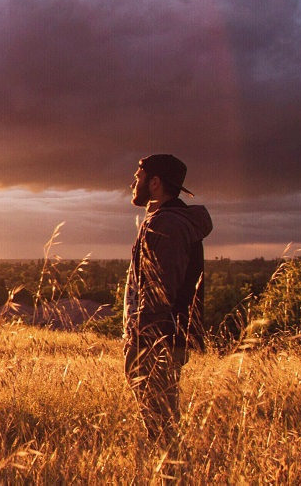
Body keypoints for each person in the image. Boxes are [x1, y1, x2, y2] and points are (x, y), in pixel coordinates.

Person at [123, 154, 214, 447]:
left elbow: (163, 291)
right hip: (154, 339)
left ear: (155, 182)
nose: (133, 183)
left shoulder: (169, 225)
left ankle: (171, 474)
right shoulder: (161, 220)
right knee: (159, 424)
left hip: (155, 342)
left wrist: (145, 339)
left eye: (138, 177)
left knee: (162, 429)